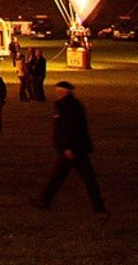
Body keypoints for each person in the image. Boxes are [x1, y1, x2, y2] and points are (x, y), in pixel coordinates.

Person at [33, 80, 105, 213]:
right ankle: (98, 206)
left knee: (63, 177)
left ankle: (44, 200)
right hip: (77, 147)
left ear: (64, 91)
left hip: (73, 148)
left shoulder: (66, 106)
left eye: (58, 90)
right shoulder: (73, 104)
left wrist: (67, 147)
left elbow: (68, 127)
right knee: (82, 177)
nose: (56, 92)